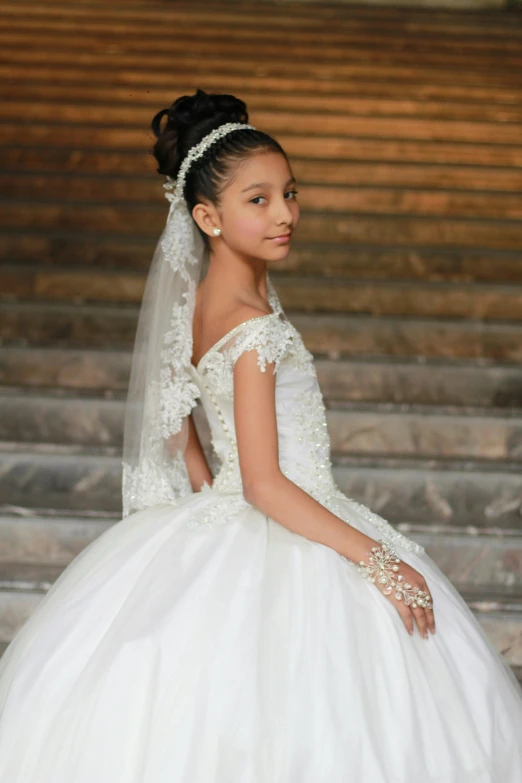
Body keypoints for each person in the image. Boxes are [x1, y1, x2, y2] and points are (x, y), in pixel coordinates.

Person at [0, 89, 521, 782]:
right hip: (287, 509)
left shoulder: (200, 305)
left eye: (290, 192)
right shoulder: (253, 325)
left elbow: (174, 419)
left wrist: (206, 496)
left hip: (231, 513)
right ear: (206, 216)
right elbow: (267, 484)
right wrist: (379, 560)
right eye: (259, 199)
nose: (285, 213)